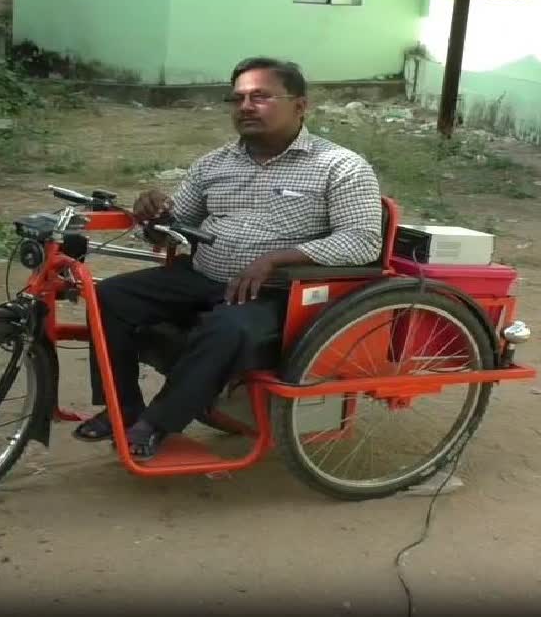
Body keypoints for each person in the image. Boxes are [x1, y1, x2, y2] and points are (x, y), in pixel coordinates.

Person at [75, 56, 384, 460]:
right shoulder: (214, 164)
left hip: (281, 293)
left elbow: (362, 242)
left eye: (261, 96)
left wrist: (277, 259)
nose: (246, 107)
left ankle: (157, 423)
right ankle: (122, 405)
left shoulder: (340, 167)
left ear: (300, 106)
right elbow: (175, 225)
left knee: (227, 327)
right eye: (237, 98)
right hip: (206, 273)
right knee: (109, 296)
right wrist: (152, 215)